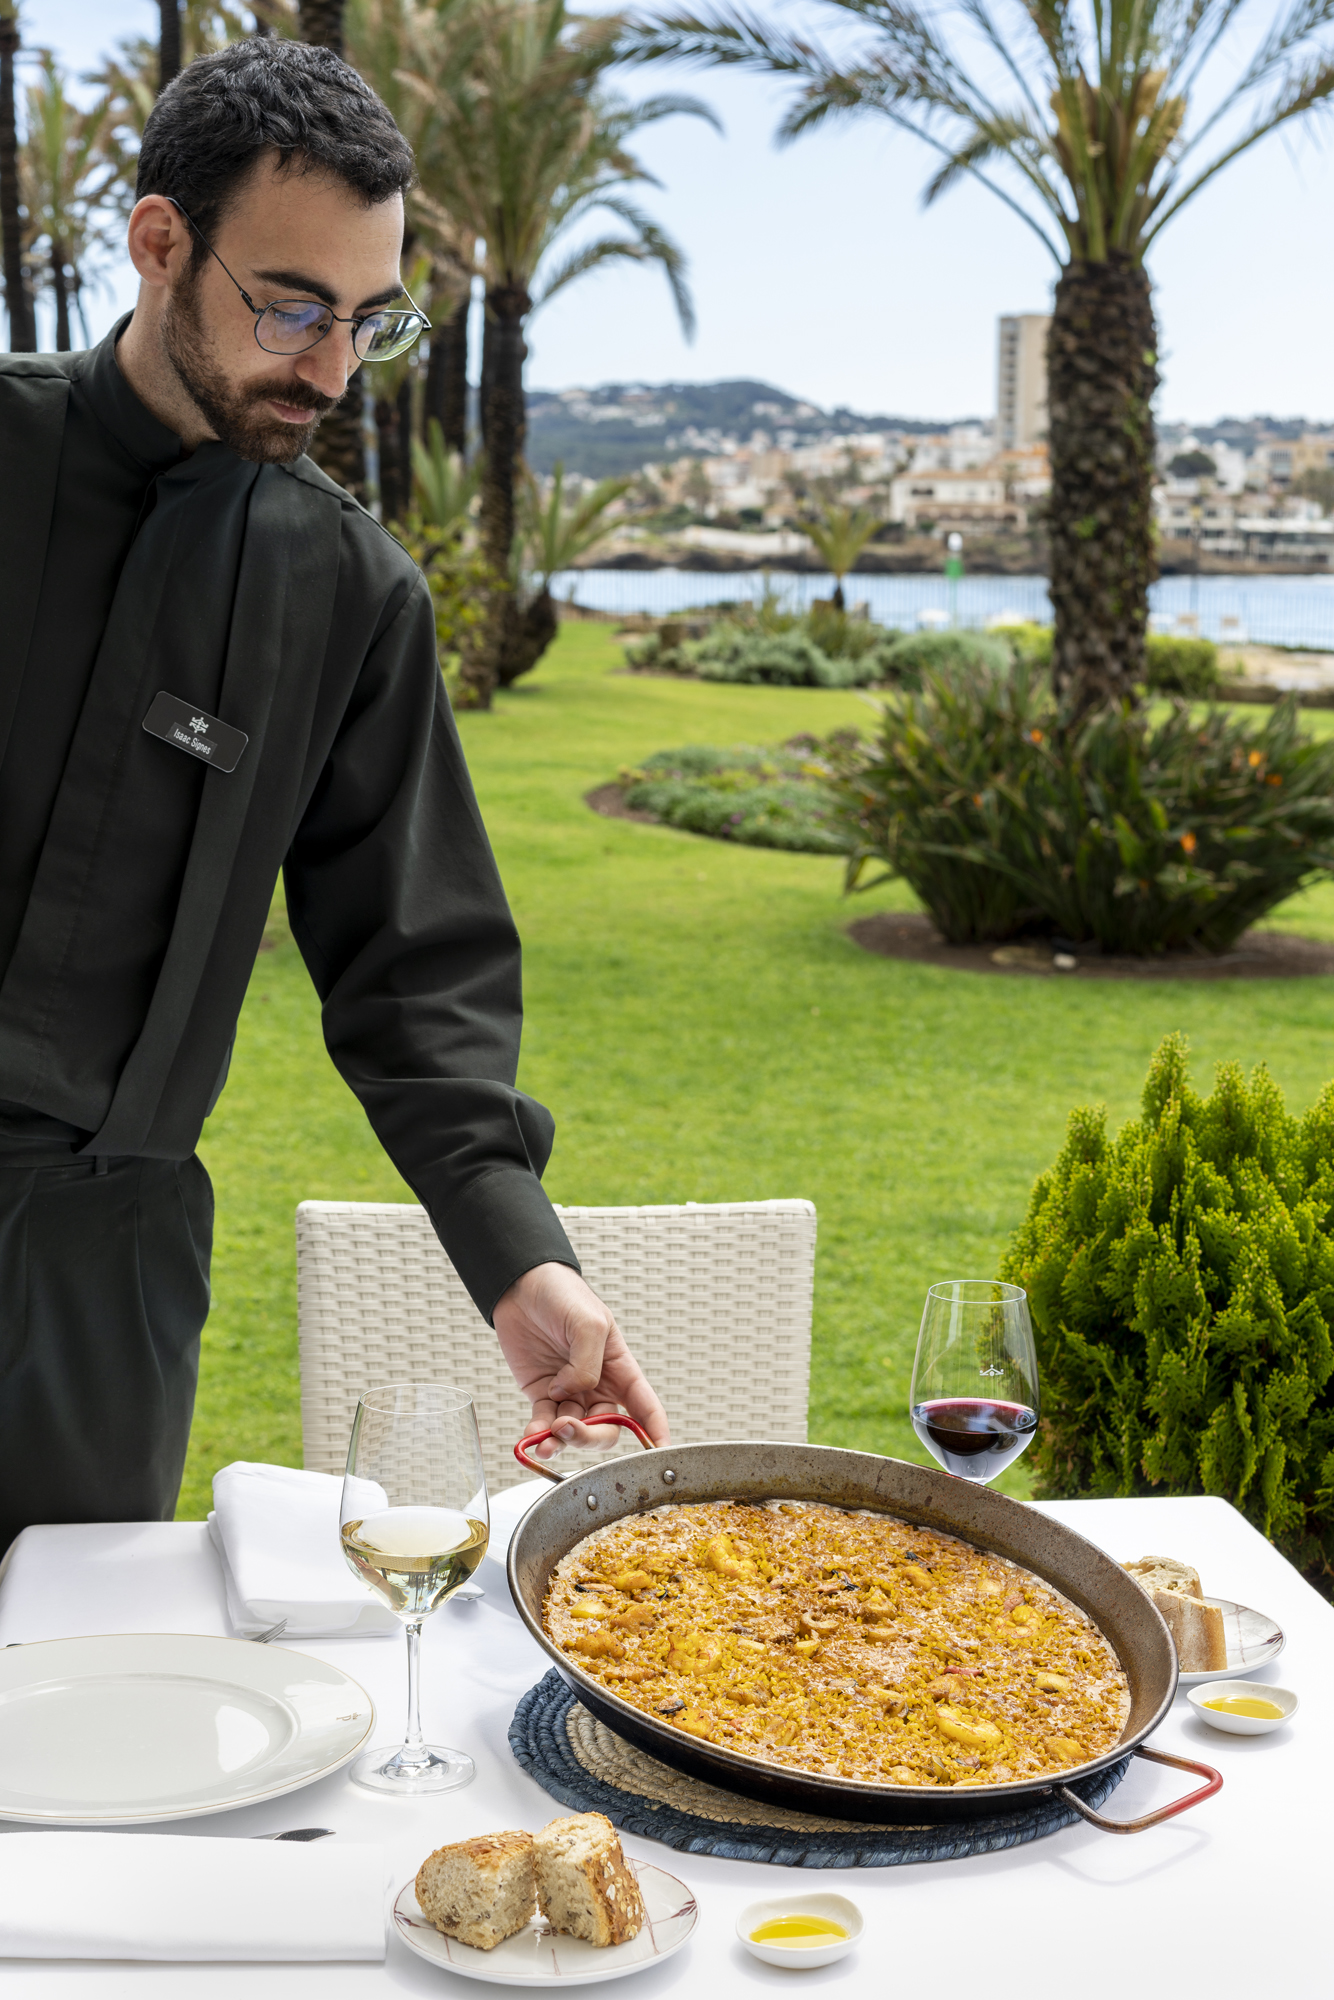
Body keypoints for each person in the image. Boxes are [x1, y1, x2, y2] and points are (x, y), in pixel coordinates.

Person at [0, 39, 667, 1553]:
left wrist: (520, 1261)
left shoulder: (351, 592)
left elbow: (410, 967)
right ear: (160, 241)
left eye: (371, 321)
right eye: (291, 306)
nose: (329, 367)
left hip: (103, 1286)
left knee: (52, 1736)